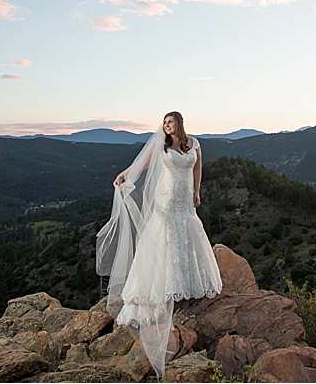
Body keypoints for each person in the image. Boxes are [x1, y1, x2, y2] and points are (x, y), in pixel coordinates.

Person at [95, 112, 222, 377]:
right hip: (165, 198)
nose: (166, 126)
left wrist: (197, 191)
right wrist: (123, 175)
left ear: (179, 124)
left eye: (170, 122)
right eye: (164, 123)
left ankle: (188, 282)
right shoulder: (160, 146)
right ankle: (163, 284)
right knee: (164, 236)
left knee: (188, 231)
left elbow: (198, 168)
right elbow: (140, 166)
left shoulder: (194, 144)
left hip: (184, 199)